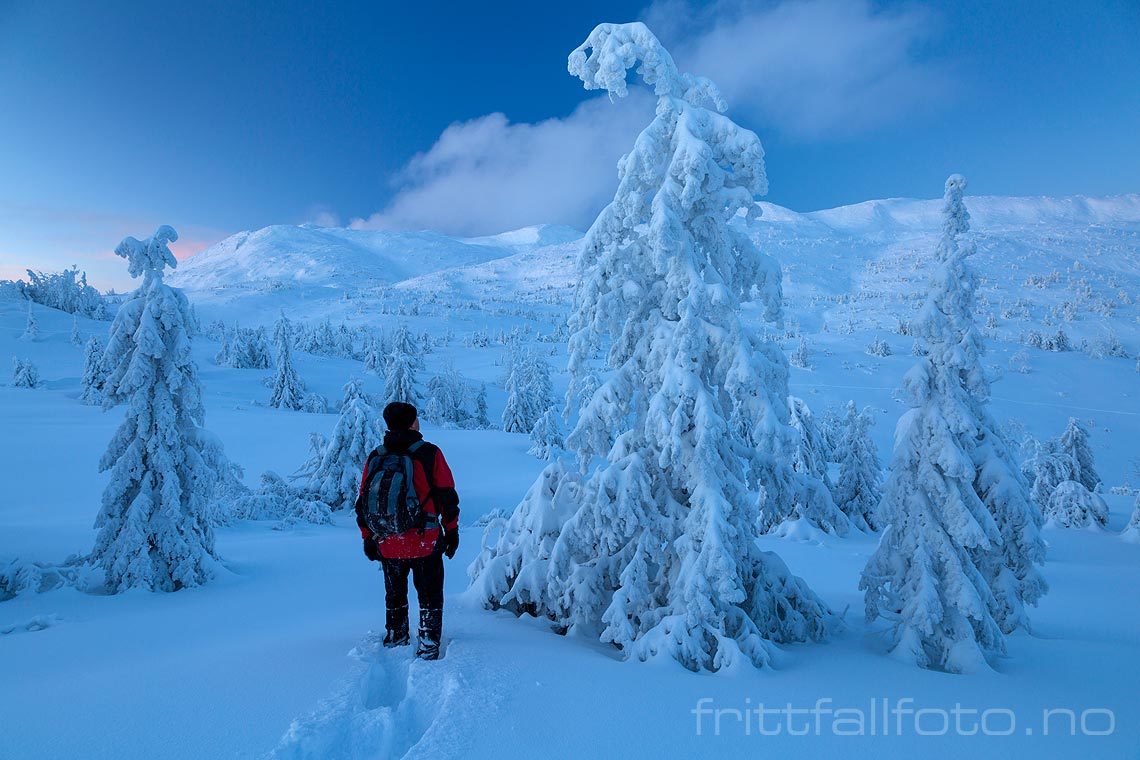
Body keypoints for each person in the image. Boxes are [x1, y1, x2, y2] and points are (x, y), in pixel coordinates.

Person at [355, 402, 459, 660]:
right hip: (424, 540)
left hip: (388, 541)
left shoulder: (376, 456)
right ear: (413, 423)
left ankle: (397, 638)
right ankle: (428, 644)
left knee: (394, 593)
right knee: (430, 594)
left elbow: (362, 503)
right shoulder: (429, 453)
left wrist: (368, 538)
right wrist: (452, 531)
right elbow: (447, 496)